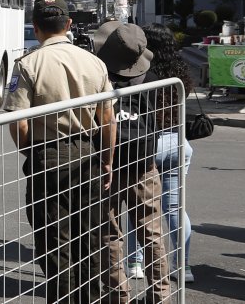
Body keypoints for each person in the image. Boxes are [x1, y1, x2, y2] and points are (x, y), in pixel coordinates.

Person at [4, 0, 116, 304]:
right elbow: (108, 119)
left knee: (55, 241)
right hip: (89, 154)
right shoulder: (94, 63)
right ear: (68, 24)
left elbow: (19, 122)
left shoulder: (28, 64)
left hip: (48, 155)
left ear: (36, 26)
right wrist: (106, 160)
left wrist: (31, 151)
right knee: (91, 238)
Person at [94, 21, 172, 303]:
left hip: (108, 164)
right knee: (151, 232)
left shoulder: (100, 77)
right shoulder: (152, 78)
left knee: (109, 233)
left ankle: (118, 295)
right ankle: (161, 294)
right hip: (143, 163)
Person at [123, 23, 195, 283]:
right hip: (178, 142)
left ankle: (135, 262)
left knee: (139, 204)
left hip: (150, 143)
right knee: (175, 208)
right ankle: (183, 266)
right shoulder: (180, 70)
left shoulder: (141, 71)